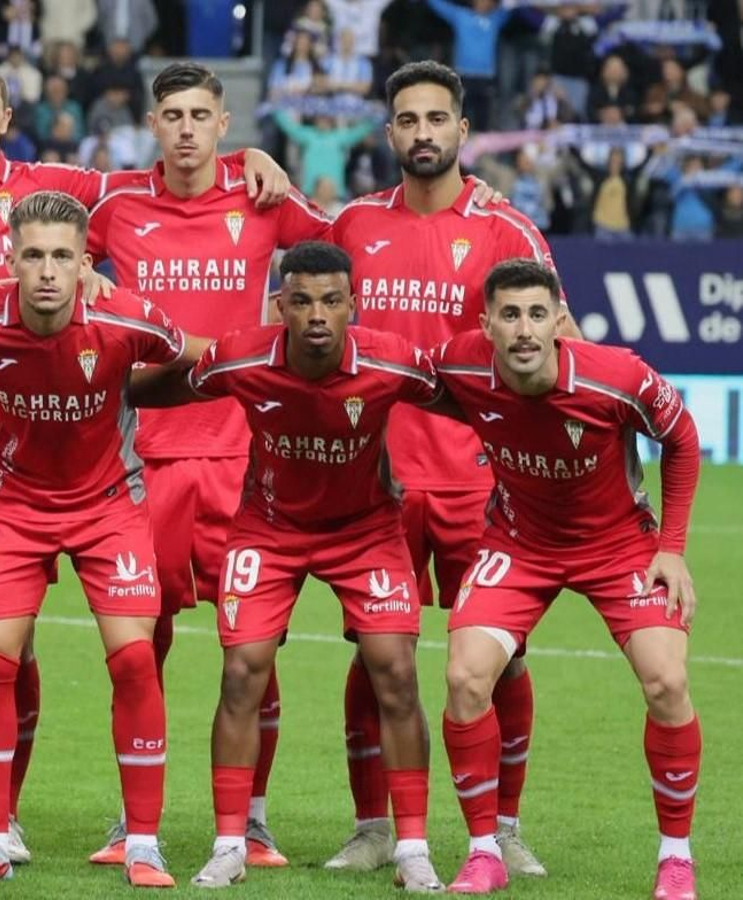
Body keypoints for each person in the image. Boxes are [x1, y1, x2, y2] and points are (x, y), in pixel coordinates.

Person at [131, 241, 445, 892]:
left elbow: (464, 399)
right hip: (268, 529)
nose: (317, 315)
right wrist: (89, 382)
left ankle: (412, 848)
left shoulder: (391, 361)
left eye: (332, 301)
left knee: (397, 673)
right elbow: (166, 388)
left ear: (352, 306)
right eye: (301, 301)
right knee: (243, 671)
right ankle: (229, 844)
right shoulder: (242, 356)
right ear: (282, 307)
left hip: (366, 531)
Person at [323, 60, 571, 876]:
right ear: (388, 132)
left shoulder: (510, 232)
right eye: (407, 119)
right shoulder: (352, 225)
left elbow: (552, 349)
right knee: (375, 654)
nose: (422, 132)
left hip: (479, 481)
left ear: (462, 132)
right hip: (375, 483)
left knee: (504, 659)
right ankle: (373, 827)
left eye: (437, 118)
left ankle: (502, 827)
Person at [83, 62, 331, 867]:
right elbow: (40, 243)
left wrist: (276, 169)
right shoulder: (116, 204)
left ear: (225, 125)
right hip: (142, 454)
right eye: (171, 115)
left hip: (243, 457)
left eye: (200, 115)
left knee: (251, 650)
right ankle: (133, 821)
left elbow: (343, 249)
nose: (186, 128)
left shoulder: (261, 197)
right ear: (152, 125)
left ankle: (252, 819)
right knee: (136, 647)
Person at [0, 190, 191, 887]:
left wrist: (142, 397)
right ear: (12, 260)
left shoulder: (126, 318)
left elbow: (194, 360)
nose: (46, 271)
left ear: (84, 262)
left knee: (132, 661)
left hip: (108, 506)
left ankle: (144, 843)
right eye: (32, 255)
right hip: (16, 506)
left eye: (62, 256)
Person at [432, 260, 701, 899]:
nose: (523, 330)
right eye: (509, 315)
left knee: (668, 680)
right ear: (486, 324)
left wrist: (674, 548)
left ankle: (676, 859)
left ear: (559, 318)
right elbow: (398, 380)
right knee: (465, 677)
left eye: (535, 314)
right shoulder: (460, 364)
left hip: (617, 546)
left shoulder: (618, 377)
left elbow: (683, 440)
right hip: (520, 543)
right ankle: (482, 853)